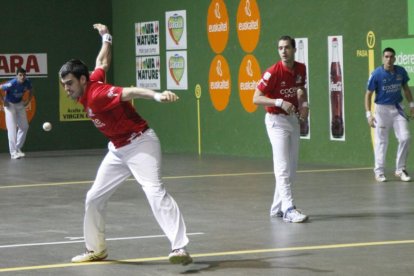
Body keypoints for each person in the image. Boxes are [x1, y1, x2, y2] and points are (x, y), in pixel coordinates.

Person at [59, 24, 192, 265]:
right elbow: (102, 62)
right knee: (94, 198)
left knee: (154, 191)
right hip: (118, 149)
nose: (66, 88)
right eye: (64, 84)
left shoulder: (98, 95)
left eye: (69, 83)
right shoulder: (91, 81)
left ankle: (179, 248)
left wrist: (156, 96)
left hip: (140, 143)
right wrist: (106, 37)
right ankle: (96, 249)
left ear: (81, 79)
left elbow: (128, 92)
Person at [253, 35, 309, 223]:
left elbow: (300, 90)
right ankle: (288, 209)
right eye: (280, 48)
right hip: (275, 121)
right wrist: (279, 101)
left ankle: (276, 208)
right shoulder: (272, 72)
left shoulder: (301, 68)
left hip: (292, 120)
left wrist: (304, 104)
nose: (283, 51)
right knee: (282, 168)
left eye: (286, 47)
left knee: (291, 170)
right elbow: (256, 98)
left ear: (294, 49)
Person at [365, 47, 414, 182]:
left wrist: (411, 105)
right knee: (381, 141)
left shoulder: (401, 71)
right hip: (381, 110)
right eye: (386, 57)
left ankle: (400, 169)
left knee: (405, 137)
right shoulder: (376, 74)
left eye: (391, 57)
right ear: (383, 58)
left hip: (398, 109)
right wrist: (369, 114)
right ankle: (379, 171)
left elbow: (405, 88)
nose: (389, 59)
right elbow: (368, 95)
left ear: (395, 58)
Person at [0, 68, 33, 159]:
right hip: (9, 106)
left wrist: (28, 100)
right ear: (17, 75)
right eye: (20, 75)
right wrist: (3, 101)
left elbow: (31, 90)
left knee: (24, 126)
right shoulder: (11, 83)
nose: (22, 77)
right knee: (12, 128)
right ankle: (13, 153)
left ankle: (18, 148)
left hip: (19, 104)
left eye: (24, 75)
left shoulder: (27, 82)